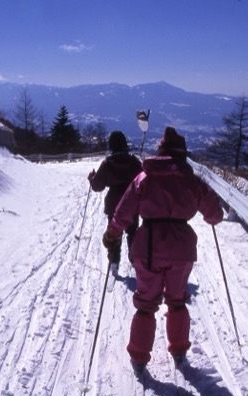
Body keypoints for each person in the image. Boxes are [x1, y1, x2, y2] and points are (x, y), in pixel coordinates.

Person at [103, 126, 224, 375]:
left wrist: (112, 233)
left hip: (147, 246)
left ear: (160, 152)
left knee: (146, 303)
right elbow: (214, 215)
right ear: (182, 154)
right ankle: (179, 351)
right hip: (182, 249)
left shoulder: (144, 178)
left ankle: (139, 357)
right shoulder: (192, 182)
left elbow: (123, 212)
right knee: (177, 301)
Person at [88, 131, 142, 274]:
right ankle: (135, 259)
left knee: (114, 232)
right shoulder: (134, 162)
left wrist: (92, 179)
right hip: (133, 204)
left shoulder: (108, 164)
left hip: (114, 204)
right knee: (133, 232)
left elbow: (97, 186)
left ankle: (114, 261)